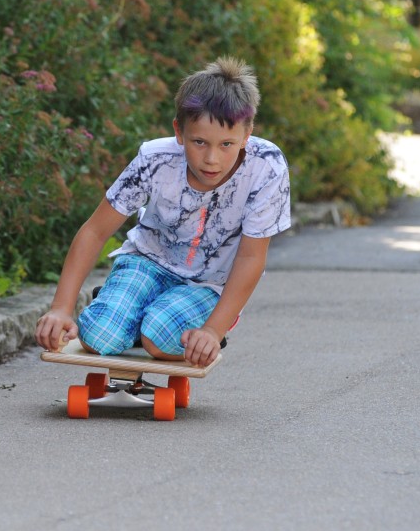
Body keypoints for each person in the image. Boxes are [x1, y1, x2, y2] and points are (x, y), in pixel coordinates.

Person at [35, 56, 291, 367]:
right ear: (179, 132)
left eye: (226, 144)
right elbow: (95, 230)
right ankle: (126, 305)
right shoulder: (155, 160)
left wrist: (212, 330)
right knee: (98, 336)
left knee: (159, 339)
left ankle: (159, 319)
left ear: (247, 134)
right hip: (148, 262)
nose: (211, 159)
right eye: (199, 142)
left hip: (209, 284)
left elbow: (251, 256)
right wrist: (61, 306)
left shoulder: (267, 167)